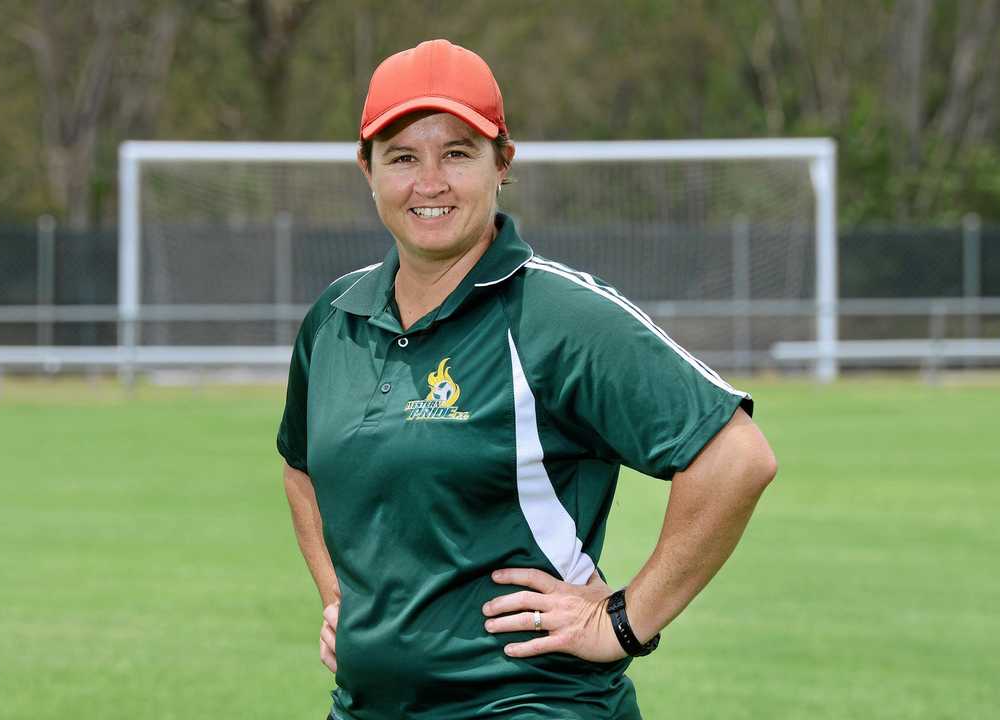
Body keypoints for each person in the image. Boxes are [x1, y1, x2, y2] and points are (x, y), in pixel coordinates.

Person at [277, 39, 777, 720]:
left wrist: (627, 619)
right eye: (402, 157)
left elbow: (735, 457)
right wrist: (341, 600)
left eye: (457, 153)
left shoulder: (559, 316)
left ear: (502, 164)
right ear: (367, 169)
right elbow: (301, 467)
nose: (429, 182)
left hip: (530, 702)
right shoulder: (334, 320)